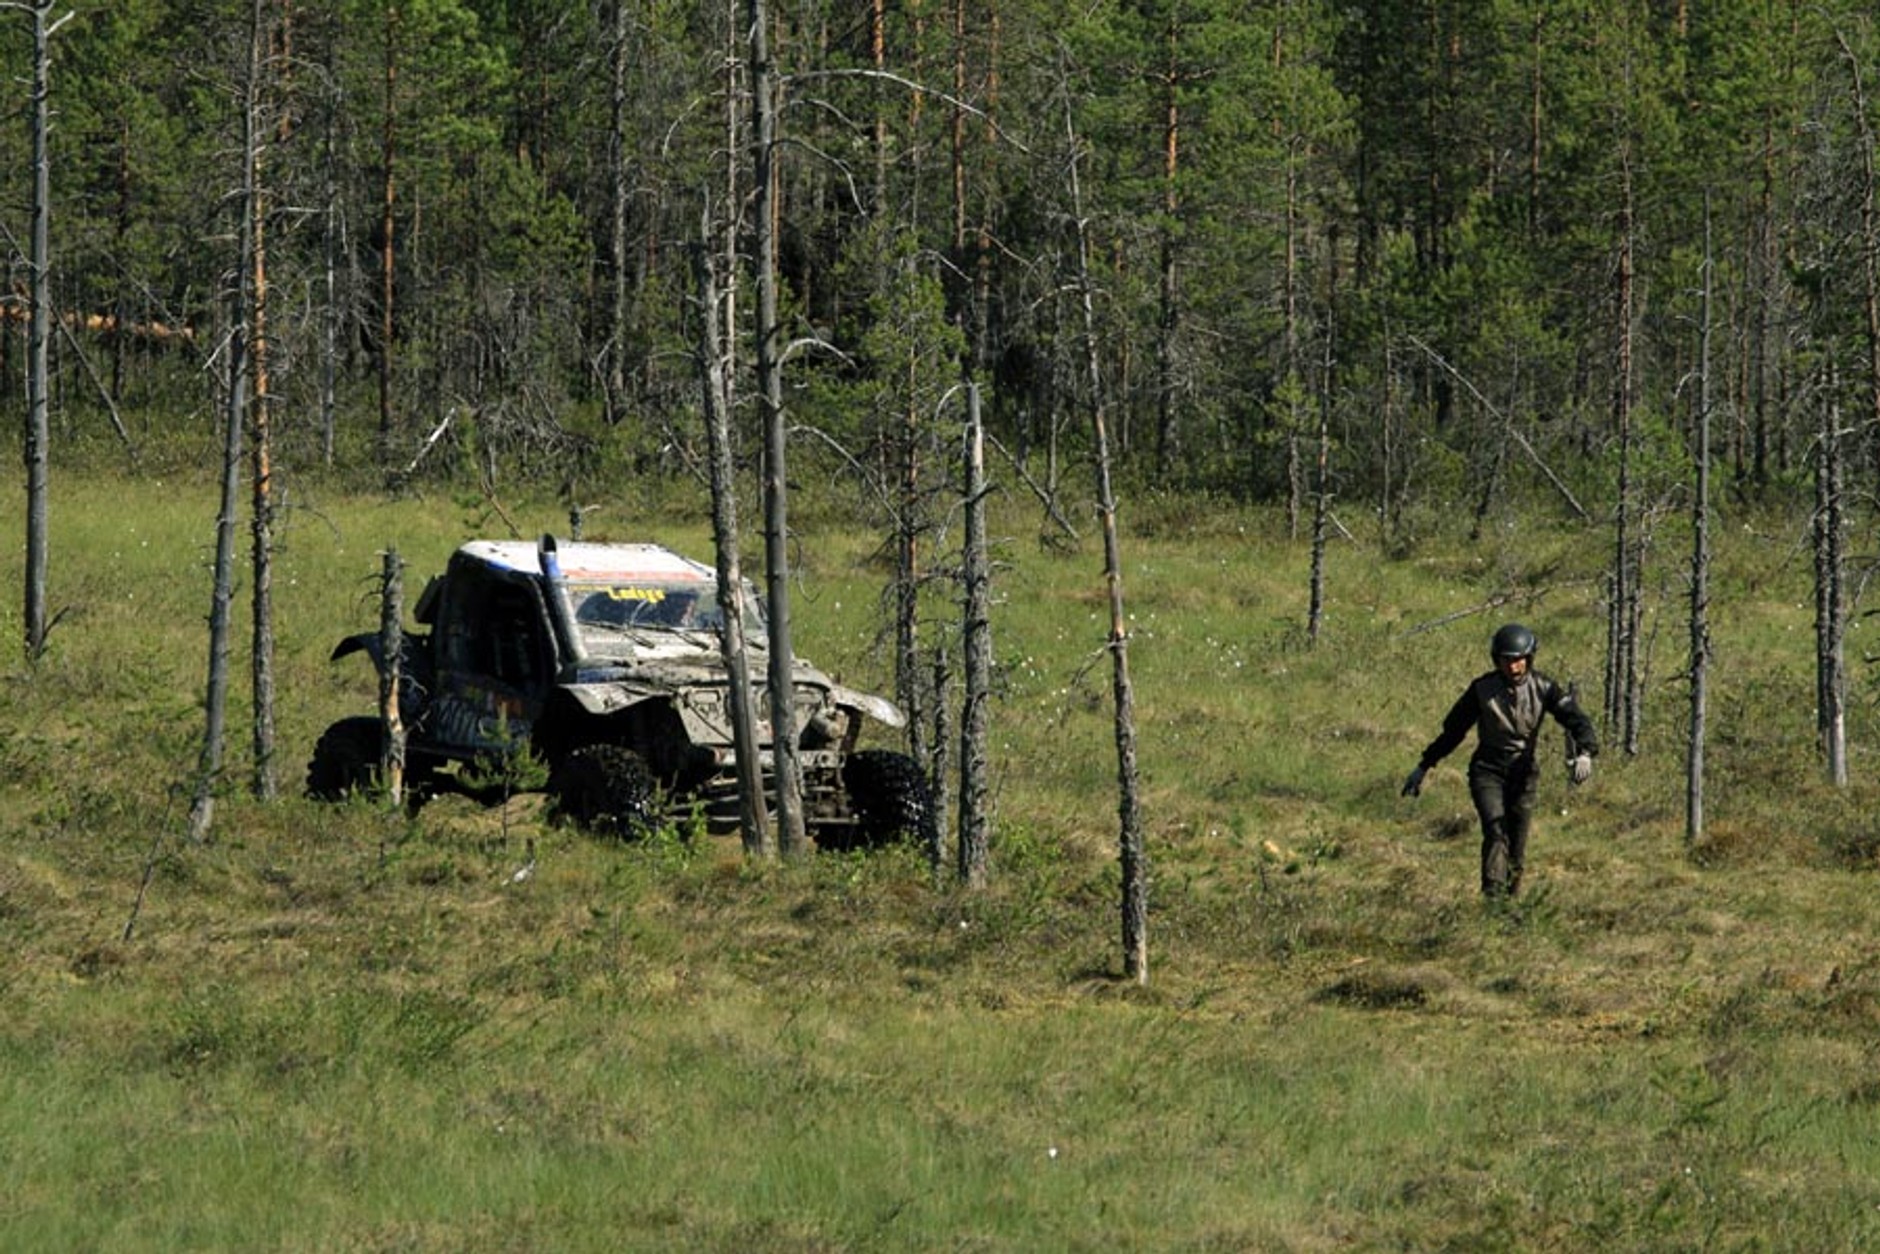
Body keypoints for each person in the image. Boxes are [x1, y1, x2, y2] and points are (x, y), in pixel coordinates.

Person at [1401, 623, 1598, 899]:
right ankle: (1492, 898)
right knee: (1496, 831)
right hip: (1488, 771)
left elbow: (1576, 719)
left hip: (1524, 773)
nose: (1514, 667)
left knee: (1517, 844)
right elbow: (1453, 732)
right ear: (1497, 660)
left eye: (1519, 660)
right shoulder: (1482, 689)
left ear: (1529, 659)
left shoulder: (1544, 687)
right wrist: (1424, 765)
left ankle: (1511, 902)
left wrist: (1586, 752)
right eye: (1507, 660)